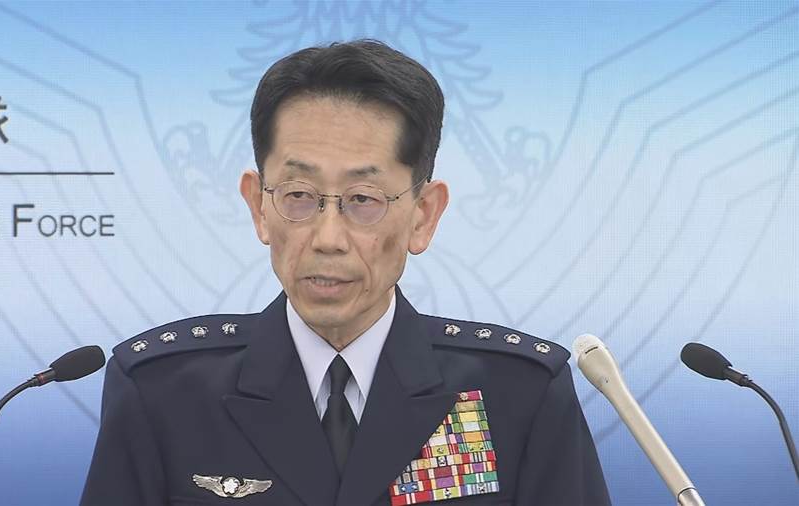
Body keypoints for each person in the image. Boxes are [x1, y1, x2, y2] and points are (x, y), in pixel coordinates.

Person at [80, 39, 610, 506]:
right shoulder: (163, 393)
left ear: (423, 216)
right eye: (298, 195)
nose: (328, 238)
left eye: (363, 199)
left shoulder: (517, 396)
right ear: (258, 205)